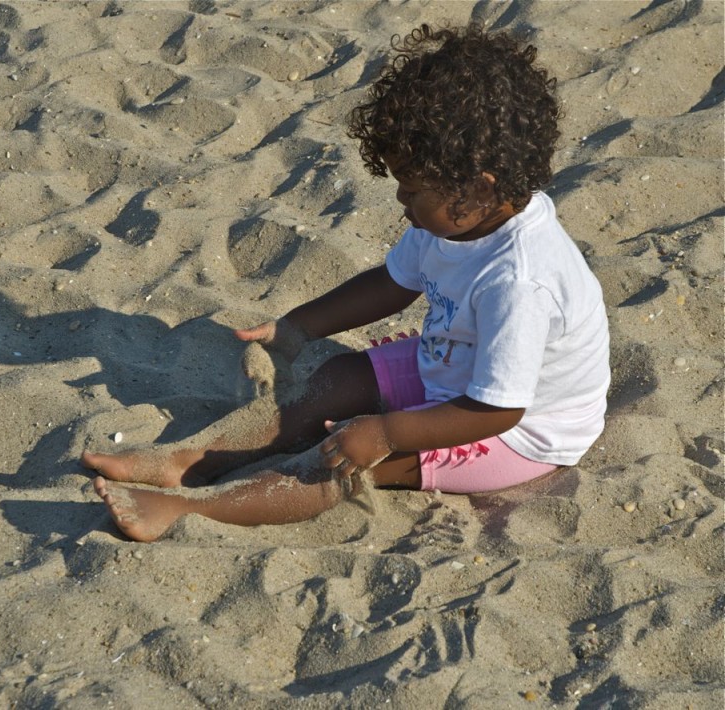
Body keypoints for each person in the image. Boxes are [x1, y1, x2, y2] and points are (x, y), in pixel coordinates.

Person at [81, 22, 610, 542]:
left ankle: (185, 509)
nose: (402, 202)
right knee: (338, 377)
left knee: (338, 463)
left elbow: (498, 407)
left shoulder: (519, 282)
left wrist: (386, 432)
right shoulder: (459, 218)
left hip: (512, 432)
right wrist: (298, 328)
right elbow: (394, 284)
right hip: (456, 364)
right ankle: (187, 461)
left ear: (476, 189)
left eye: (410, 190)